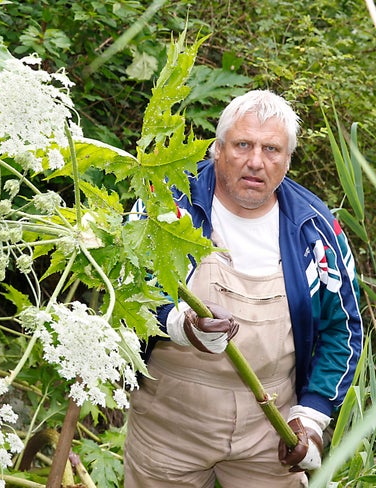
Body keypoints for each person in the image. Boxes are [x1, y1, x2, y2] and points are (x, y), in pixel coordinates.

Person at [124, 90, 363, 487]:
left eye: (272, 149)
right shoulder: (165, 204)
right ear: (218, 149)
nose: (256, 161)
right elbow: (127, 292)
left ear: (288, 161)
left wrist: (313, 415)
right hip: (169, 420)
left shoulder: (315, 229)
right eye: (242, 145)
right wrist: (180, 325)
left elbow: (344, 329)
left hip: (271, 431)